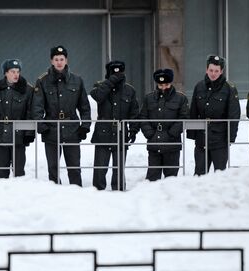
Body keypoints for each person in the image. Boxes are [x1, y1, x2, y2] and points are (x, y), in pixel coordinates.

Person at [31, 45, 91, 186]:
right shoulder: (43, 81)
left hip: (72, 129)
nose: (59, 62)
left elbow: (84, 107)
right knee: (53, 168)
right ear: (51, 61)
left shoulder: (77, 80)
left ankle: (76, 193)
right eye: (56, 59)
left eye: (62, 59)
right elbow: (37, 106)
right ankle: (54, 196)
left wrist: (85, 126)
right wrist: (41, 125)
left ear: (66, 60)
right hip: (51, 129)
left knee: (74, 167)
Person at [90, 60, 139, 191]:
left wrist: (133, 131)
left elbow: (134, 113)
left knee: (119, 169)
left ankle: (119, 191)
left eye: (119, 73)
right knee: (100, 169)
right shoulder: (100, 87)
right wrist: (110, 81)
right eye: (113, 73)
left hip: (121, 132)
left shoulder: (130, 90)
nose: (117, 76)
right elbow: (98, 96)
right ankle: (97, 193)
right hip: (103, 133)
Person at [187, 55, 240, 175]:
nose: (213, 73)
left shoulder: (229, 89)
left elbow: (233, 115)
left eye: (216, 71)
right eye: (211, 70)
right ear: (206, 70)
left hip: (220, 139)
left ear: (221, 71)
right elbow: (194, 111)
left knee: (220, 175)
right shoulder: (199, 86)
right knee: (199, 174)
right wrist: (192, 133)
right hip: (202, 139)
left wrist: (230, 138)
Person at [0, 59, 35, 178]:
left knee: (19, 172)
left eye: (18, 71)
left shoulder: (27, 90)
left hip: (19, 137)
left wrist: (29, 133)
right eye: (12, 71)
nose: (16, 74)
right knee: (1, 172)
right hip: (1, 135)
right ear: (5, 73)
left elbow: (30, 113)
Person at [140, 68, 189, 181]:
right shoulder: (149, 98)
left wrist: (171, 133)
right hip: (154, 143)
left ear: (170, 83)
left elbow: (184, 117)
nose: (163, 88)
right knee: (152, 179)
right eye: (160, 85)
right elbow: (143, 117)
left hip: (172, 144)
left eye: (166, 85)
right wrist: (150, 133)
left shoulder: (180, 98)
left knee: (171, 179)